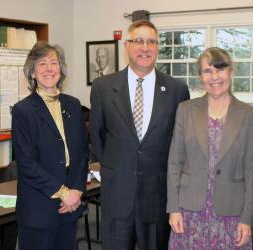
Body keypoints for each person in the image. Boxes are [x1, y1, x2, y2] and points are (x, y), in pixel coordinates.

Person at [90, 20, 189, 250]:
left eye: (151, 42)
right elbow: (97, 136)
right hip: (117, 196)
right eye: (138, 41)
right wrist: (116, 168)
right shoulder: (103, 87)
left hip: (157, 198)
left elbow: (180, 144)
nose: (145, 47)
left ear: (157, 47)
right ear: (127, 45)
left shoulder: (177, 90)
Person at [167, 47, 253, 249]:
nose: (215, 77)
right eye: (207, 71)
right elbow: (174, 163)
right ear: (200, 76)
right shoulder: (186, 110)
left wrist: (247, 218)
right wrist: (173, 208)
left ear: (231, 72)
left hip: (231, 213)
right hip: (189, 212)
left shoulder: (248, 115)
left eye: (220, 70)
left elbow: (251, 170)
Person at [12, 42, 89, 250]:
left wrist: (77, 191)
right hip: (39, 207)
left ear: (61, 70)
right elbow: (26, 163)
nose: (49, 69)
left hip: (70, 206)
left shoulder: (73, 104)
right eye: (42, 63)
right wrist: (64, 192)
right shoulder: (23, 111)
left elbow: (82, 153)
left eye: (54, 63)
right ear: (32, 72)